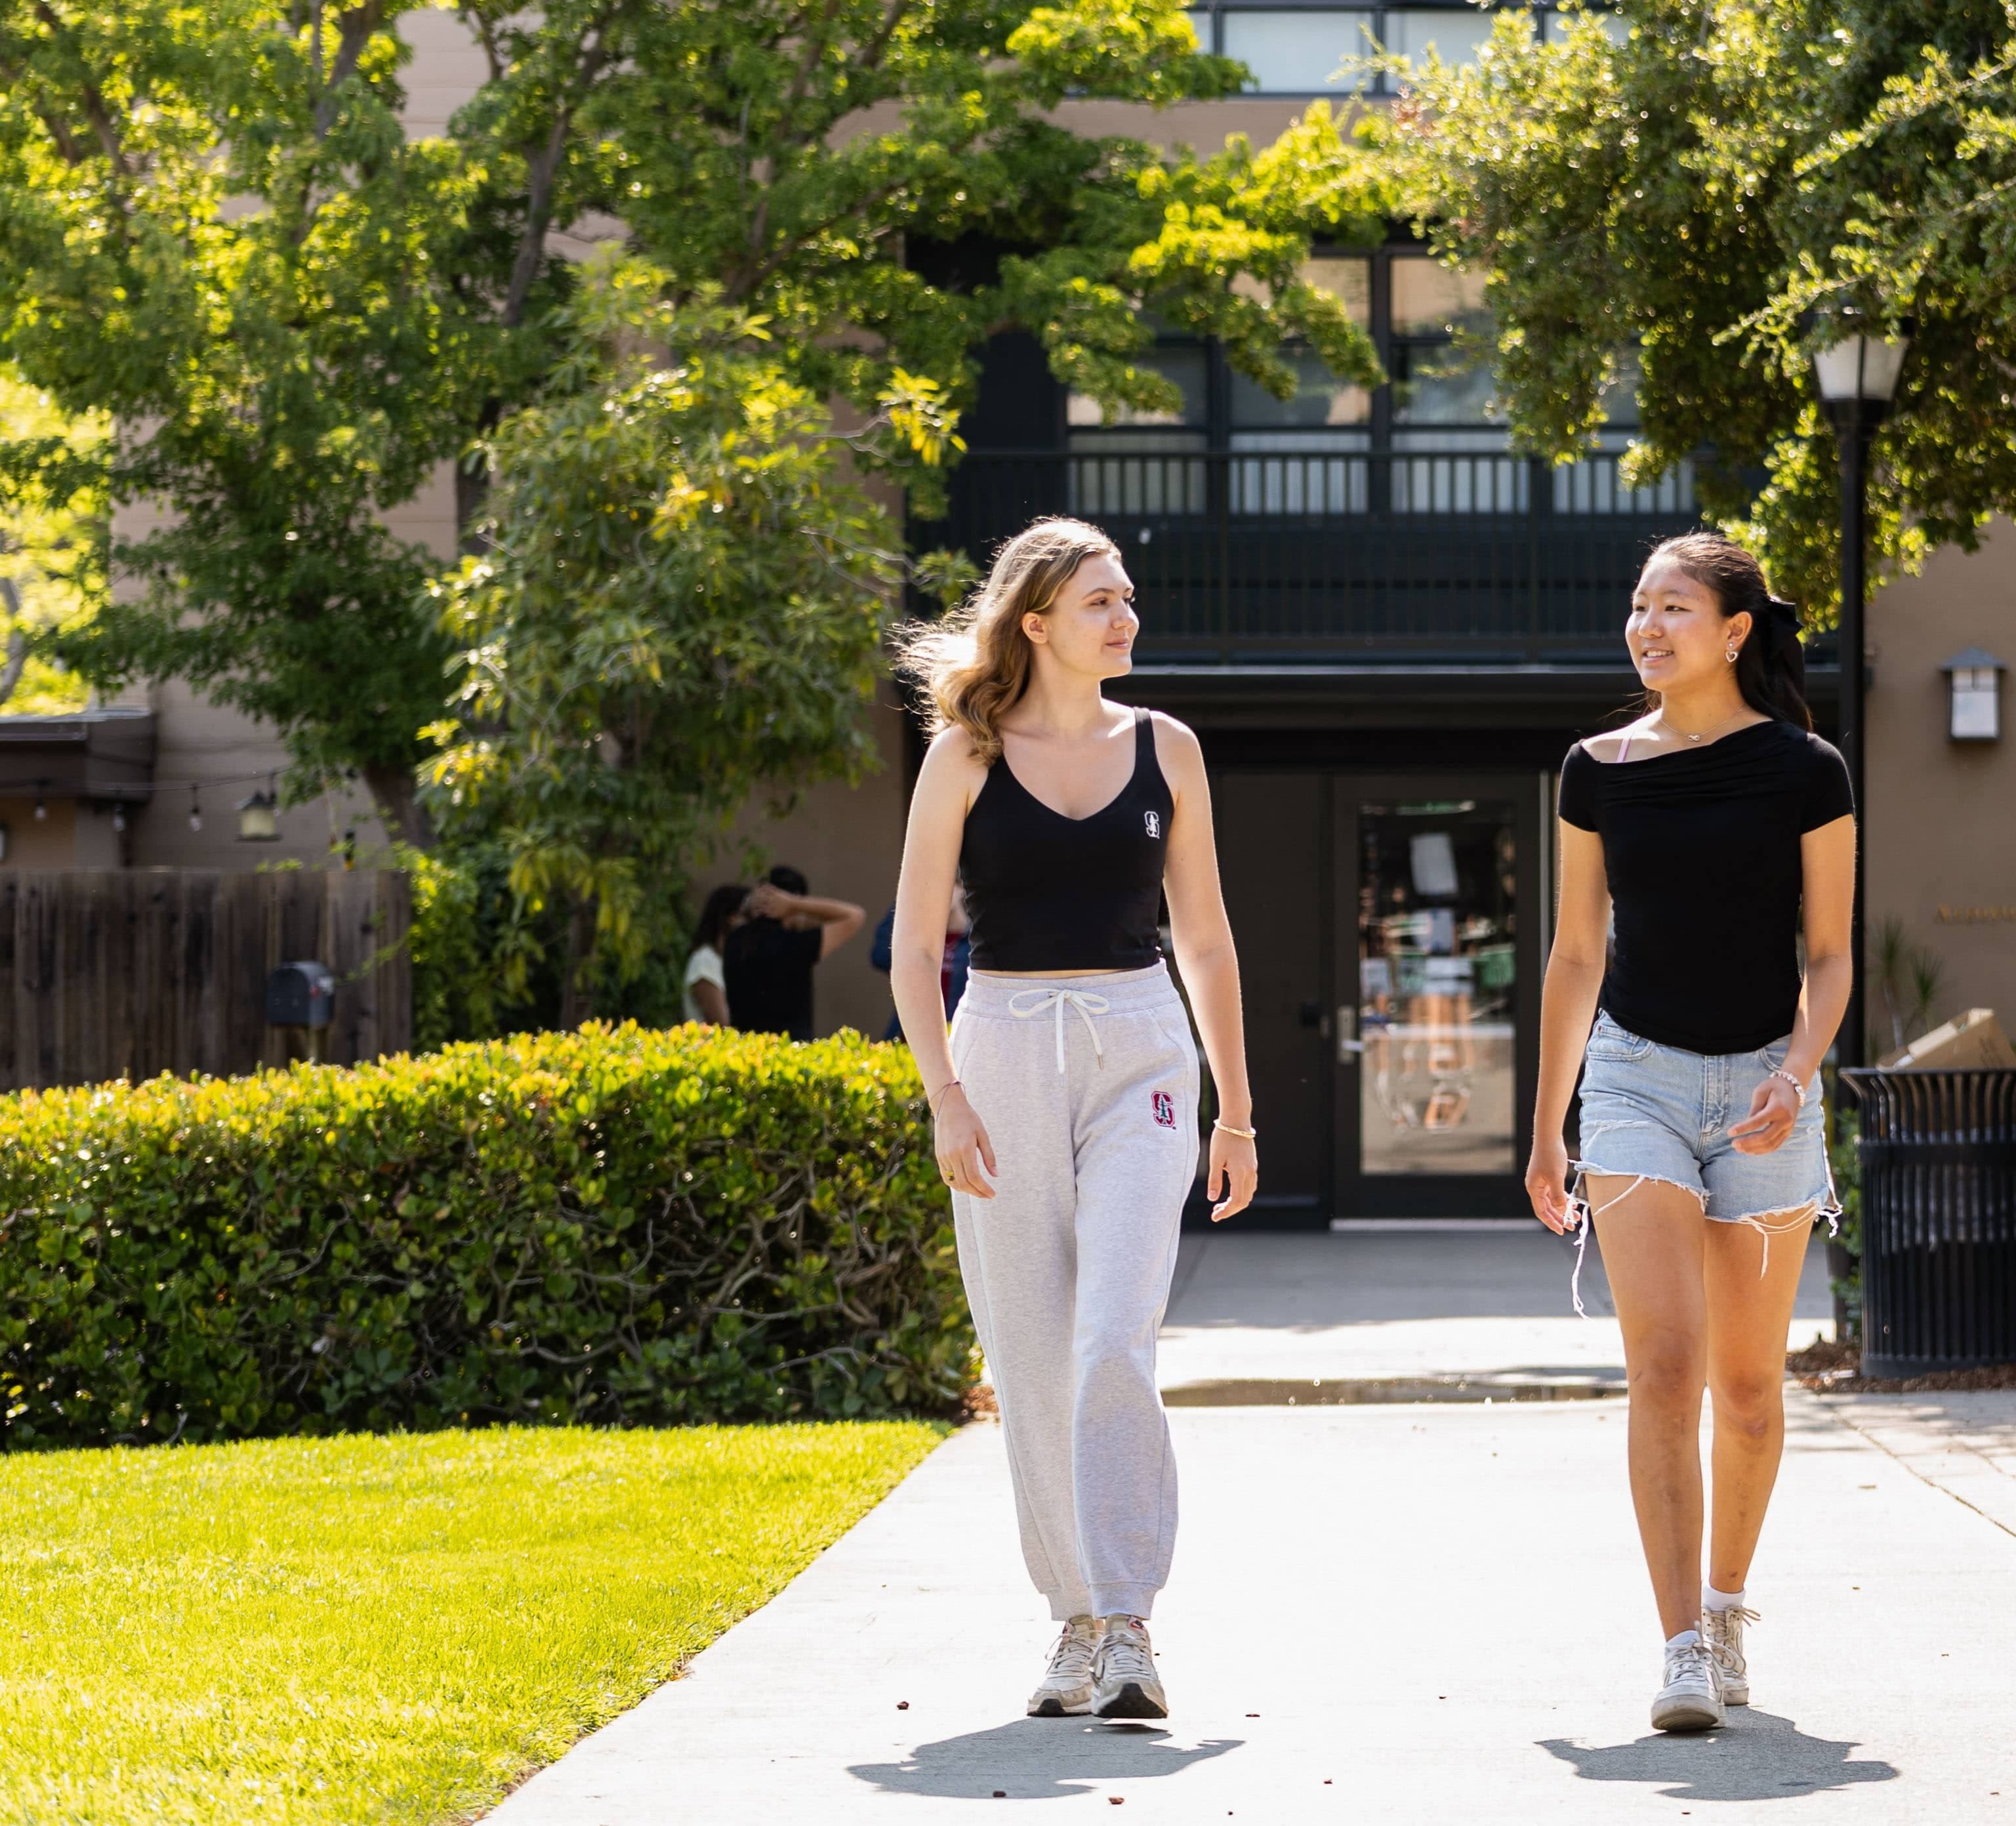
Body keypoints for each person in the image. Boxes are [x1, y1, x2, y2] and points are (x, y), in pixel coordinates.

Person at [890, 516, 1258, 1723]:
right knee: (1033, 1354)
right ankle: (1074, 1620)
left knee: (1111, 1334)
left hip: (1140, 1044)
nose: (1124, 616)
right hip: (999, 1045)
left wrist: (1236, 1109)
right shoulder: (964, 752)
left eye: (1128, 596)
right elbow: (909, 947)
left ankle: (1131, 1619)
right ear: (1035, 620)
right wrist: (945, 1095)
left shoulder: (1169, 749)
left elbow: (1201, 935)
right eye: (1099, 600)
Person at [1527, 531, 1855, 1735]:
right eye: (1636, 607)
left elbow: (1827, 950)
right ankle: (1675, 1647)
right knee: (1662, 1366)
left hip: (1767, 1081)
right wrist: (1545, 1126)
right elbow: (1573, 954)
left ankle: (1724, 1607)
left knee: (1749, 1388)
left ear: (1731, 631)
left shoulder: (1805, 769)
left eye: (1672, 607)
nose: (1645, 626)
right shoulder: (1594, 767)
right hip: (1633, 1080)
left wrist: (1796, 1068)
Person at [723, 865, 865, 1039]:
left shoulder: (735, 939)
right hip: (792, 1051)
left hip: (745, 1051)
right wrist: (795, 904)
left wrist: (752, 903)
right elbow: (855, 916)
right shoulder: (796, 944)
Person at [682, 884, 748, 1026]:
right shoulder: (705, 961)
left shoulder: (723, 961)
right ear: (731, 918)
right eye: (747, 916)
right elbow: (722, 1025)